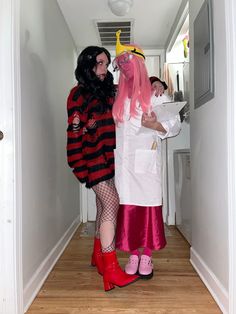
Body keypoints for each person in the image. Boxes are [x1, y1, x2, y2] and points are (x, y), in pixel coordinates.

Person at [66, 46, 139, 291]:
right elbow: (74, 133)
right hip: (91, 158)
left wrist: (156, 80)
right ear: (87, 65)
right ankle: (111, 268)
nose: (103, 68)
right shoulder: (78, 94)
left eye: (106, 64)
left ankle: (98, 256)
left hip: (109, 158)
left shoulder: (108, 91)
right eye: (98, 63)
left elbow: (134, 87)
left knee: (101, 205)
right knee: (111, 203)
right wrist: (78, 165)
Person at [113, 30, 181, 279]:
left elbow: (174, 125)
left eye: (127, 61)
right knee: (128, 208)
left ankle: (147, 256)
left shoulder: (156, 95)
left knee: (148, 208)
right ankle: (133, 253)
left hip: (146, 163)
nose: (124, 67)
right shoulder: (118, 98)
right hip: (124, 165)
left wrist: (157, 126)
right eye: (120, 64)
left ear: (139, 63)